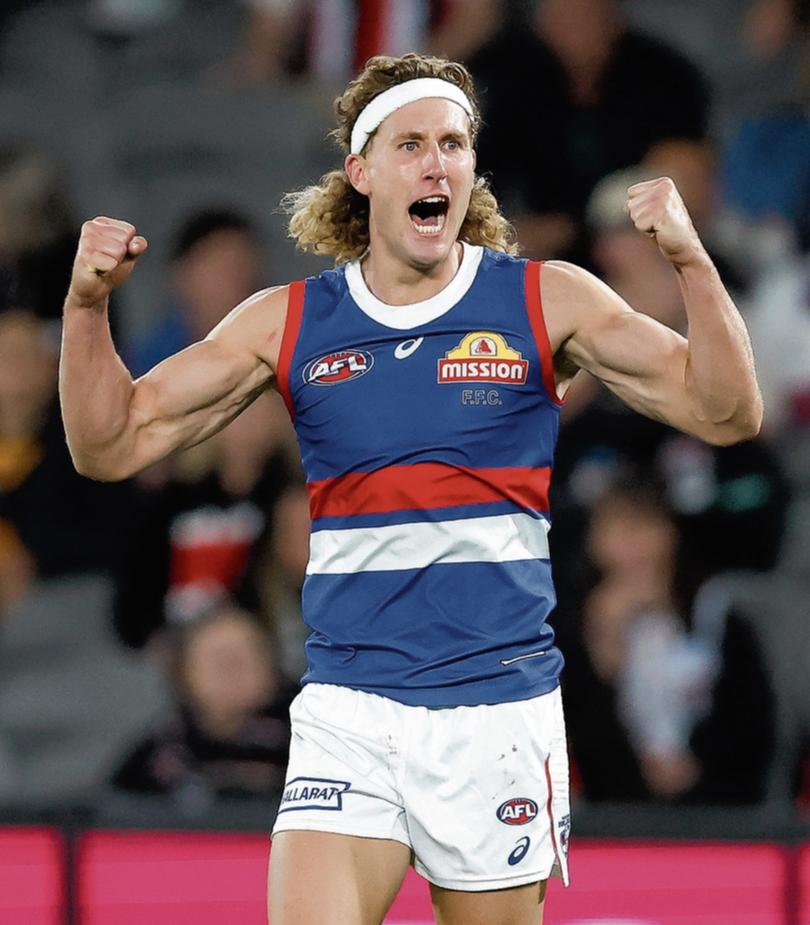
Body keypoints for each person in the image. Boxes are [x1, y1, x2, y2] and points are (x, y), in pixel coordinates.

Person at [60, 52, 762, 925]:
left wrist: (692, 262)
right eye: (413, 144)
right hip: (351, 709)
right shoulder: (290, 320)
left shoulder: (548, 300)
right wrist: (87, 309)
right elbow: (110, 442)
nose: (439, 163)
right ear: (361, 172)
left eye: (456, 144)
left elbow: (728, 411)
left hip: (497, 713)